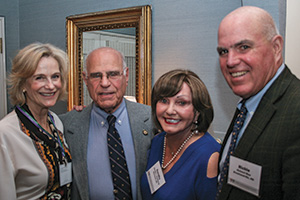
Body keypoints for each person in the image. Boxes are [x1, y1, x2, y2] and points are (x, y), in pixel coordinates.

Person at [216, 6, 300, 200]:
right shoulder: (247, 106)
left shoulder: (295, 109)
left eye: (243, 47)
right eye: (223, 51)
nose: (230, 61)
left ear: (276, 47)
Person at [59, 47, 154, 200]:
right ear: (85, 79)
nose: (104, 83)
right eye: (96, 76)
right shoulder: (66, 125)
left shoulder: (152, 119)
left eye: (113, 74)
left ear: (126, 75)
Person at [0, 43, 72, 199]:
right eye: (40, 78)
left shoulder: (56, 122)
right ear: (23, 84)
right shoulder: (5, 134)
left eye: (55, 77)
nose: (51, 85)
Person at [141, 69, 220, 200]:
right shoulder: (158, 141)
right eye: (164, 101)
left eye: (181, 102)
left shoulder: (209, 156)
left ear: (198, 112)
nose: (170, 110)